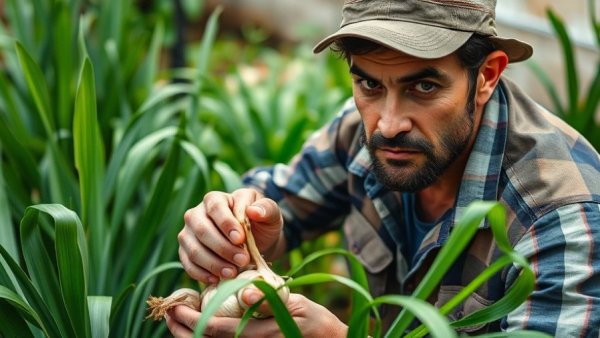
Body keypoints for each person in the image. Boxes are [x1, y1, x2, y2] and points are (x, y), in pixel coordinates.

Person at [167, 0, 600, 336]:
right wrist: (239, 227)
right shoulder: (361, 129)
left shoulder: (562, 219)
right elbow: (282, 198)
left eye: (424, 86)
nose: (388, 125)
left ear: (486, 76)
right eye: (369, 83)